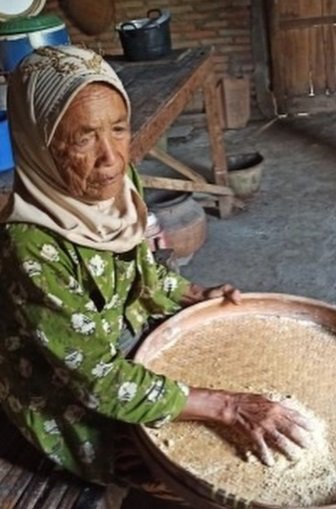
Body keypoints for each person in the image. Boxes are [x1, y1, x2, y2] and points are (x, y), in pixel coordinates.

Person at [0, 45, 311, 500]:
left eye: (119, 129)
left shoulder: (120, 185)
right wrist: (228, 408)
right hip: (63, 383)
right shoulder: (32, 246)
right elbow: (96, 380)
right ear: (38, 142)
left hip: (118, 337)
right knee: (173, 466)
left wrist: (192, 294)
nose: (110, 157)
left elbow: (140, 269)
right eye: (83, 138)